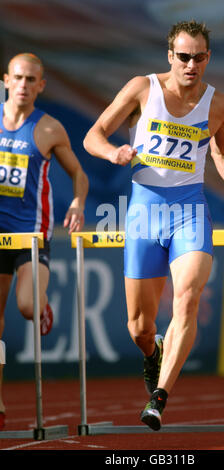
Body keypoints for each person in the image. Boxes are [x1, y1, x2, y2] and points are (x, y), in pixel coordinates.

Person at [83, 20, 224, 431]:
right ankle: (152, 353)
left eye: (199, 57)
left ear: (208, 58)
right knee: (139, 328)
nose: (191, 64)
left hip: (190, 211)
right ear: (170, 56)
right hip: (145, 213)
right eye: (183, 56)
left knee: (187, 297)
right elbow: (93, 135)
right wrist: (112, 153)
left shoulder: (219, 104)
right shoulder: (142, 89)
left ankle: (159, 397)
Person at [0, 53, 89, 431]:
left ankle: (42, 306)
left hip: (31, 236)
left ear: (41, 85)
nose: (23, 85)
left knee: (25, 306)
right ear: (6, 80)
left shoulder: (49, 129)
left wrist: (78, 201)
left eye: (30, 79)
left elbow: (78, 173)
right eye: (17, 77)